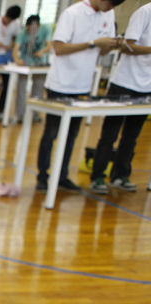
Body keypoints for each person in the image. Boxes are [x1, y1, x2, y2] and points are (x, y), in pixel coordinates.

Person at [35, 0, 123, 194]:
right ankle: (42, 177)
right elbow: (59, 49)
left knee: (71, 135)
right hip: (60, 84)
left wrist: (112, 44)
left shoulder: (108, 14)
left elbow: (103, 51)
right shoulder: (73, 13)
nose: (111, 9)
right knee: (51, 133)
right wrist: (92, 43)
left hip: (83, 85)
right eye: (110, 4)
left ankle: (62, 175)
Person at [90, 2, 151, 194]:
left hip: (146, 86)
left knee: (131, 137)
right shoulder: (145, 12)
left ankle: (119, 175)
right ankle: (97, 176)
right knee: (110, 133)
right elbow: (126, 47)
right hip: (124, 82)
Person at [12, 15, 52, 119]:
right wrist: (17, 59)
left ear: (38, 25)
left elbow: (49, 45)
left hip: (39, 63)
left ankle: (34, 114)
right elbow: (15, 48)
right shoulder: (22, 33)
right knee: (21, 88)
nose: (30, 31)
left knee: (38, 88)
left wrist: (42, 51)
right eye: (29, 28)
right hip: (25, 62)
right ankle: (20, 114)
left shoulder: (45, 29)